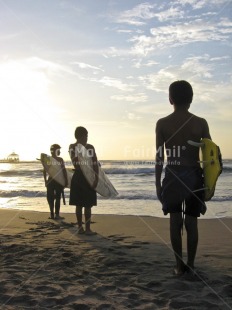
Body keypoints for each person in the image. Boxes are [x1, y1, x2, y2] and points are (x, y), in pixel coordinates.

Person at [155, 80, 211, 276]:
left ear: (170, 99)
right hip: (195, 176)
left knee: (175, 220)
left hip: (173, 175)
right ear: (192, 99)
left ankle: (179, 266)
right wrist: (209, 186)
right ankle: (192, 265)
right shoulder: (201, 123)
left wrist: (157, 185)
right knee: (192, 222)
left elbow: (159, 157)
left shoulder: (162, 123)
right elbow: (209, 158)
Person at [69, 126, 99, 235]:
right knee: (79, 204)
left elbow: (95, 163)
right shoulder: (72, 147)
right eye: (86, 136)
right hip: (79, 177)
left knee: (88, 204)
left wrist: (96, 178)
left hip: (88, 177)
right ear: (80, 136)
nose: (87, 138)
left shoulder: (90, 147)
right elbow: (76, 163)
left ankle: (87, 229)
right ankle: (80, 228)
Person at [43, 144, 68, 220]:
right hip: (52, 180)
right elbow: (45, 170)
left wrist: (66, 180)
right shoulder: (50, 159)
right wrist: (45, 181)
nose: (59, 151)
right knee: (51, 197)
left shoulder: (60, 159)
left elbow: (63, 170)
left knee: (57, 197)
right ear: (53, 151)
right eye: (58, 150)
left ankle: (55, 214)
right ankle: (53, 214)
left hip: (56, 180)